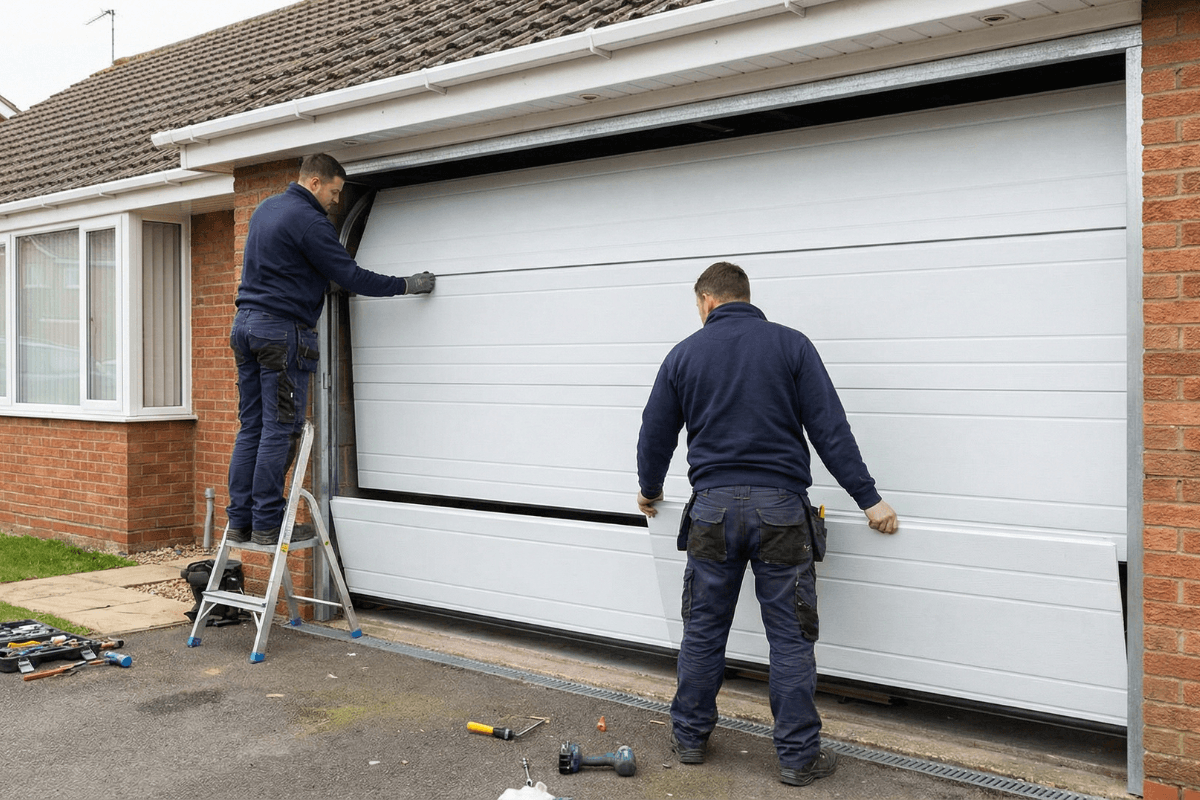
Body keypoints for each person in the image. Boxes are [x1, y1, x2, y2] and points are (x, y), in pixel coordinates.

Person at [636, 261, 898, 787]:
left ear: (707, 301)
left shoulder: (684, 354)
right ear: (745, 296)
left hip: (711, 510)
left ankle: (689, 738)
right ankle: (798, 759)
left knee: (704, 631)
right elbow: (830, 427)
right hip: (782, 511)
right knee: (790, 638)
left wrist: (650, 489)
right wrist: (869, 499)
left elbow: (655, 433)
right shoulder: (791, 345)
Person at [227, 153, 436, 547]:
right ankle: (269, 523)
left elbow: (286, 269)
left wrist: (320, 285)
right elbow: (352, 275)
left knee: (251, 427)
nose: (336, 202)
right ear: (314, 183)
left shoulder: (265, 210)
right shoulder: (309, 221)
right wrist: (407, 285)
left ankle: (241, 522)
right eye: (335, 192)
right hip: (281, 335)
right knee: (280, 429)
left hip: (247, 326)